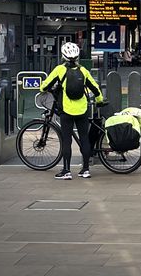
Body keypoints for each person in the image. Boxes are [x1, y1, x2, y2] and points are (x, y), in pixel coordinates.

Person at [40, 42, 104, 180]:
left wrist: (43, 89)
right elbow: (95, 88)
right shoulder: (83, 71)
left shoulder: (59, 70)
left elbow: (45, 86)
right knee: (84, 138)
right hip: (82, 109)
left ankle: (66, 171)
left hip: (66, 110)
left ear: (63, 56)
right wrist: (99, 100)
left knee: (66, 140)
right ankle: (85, 170)